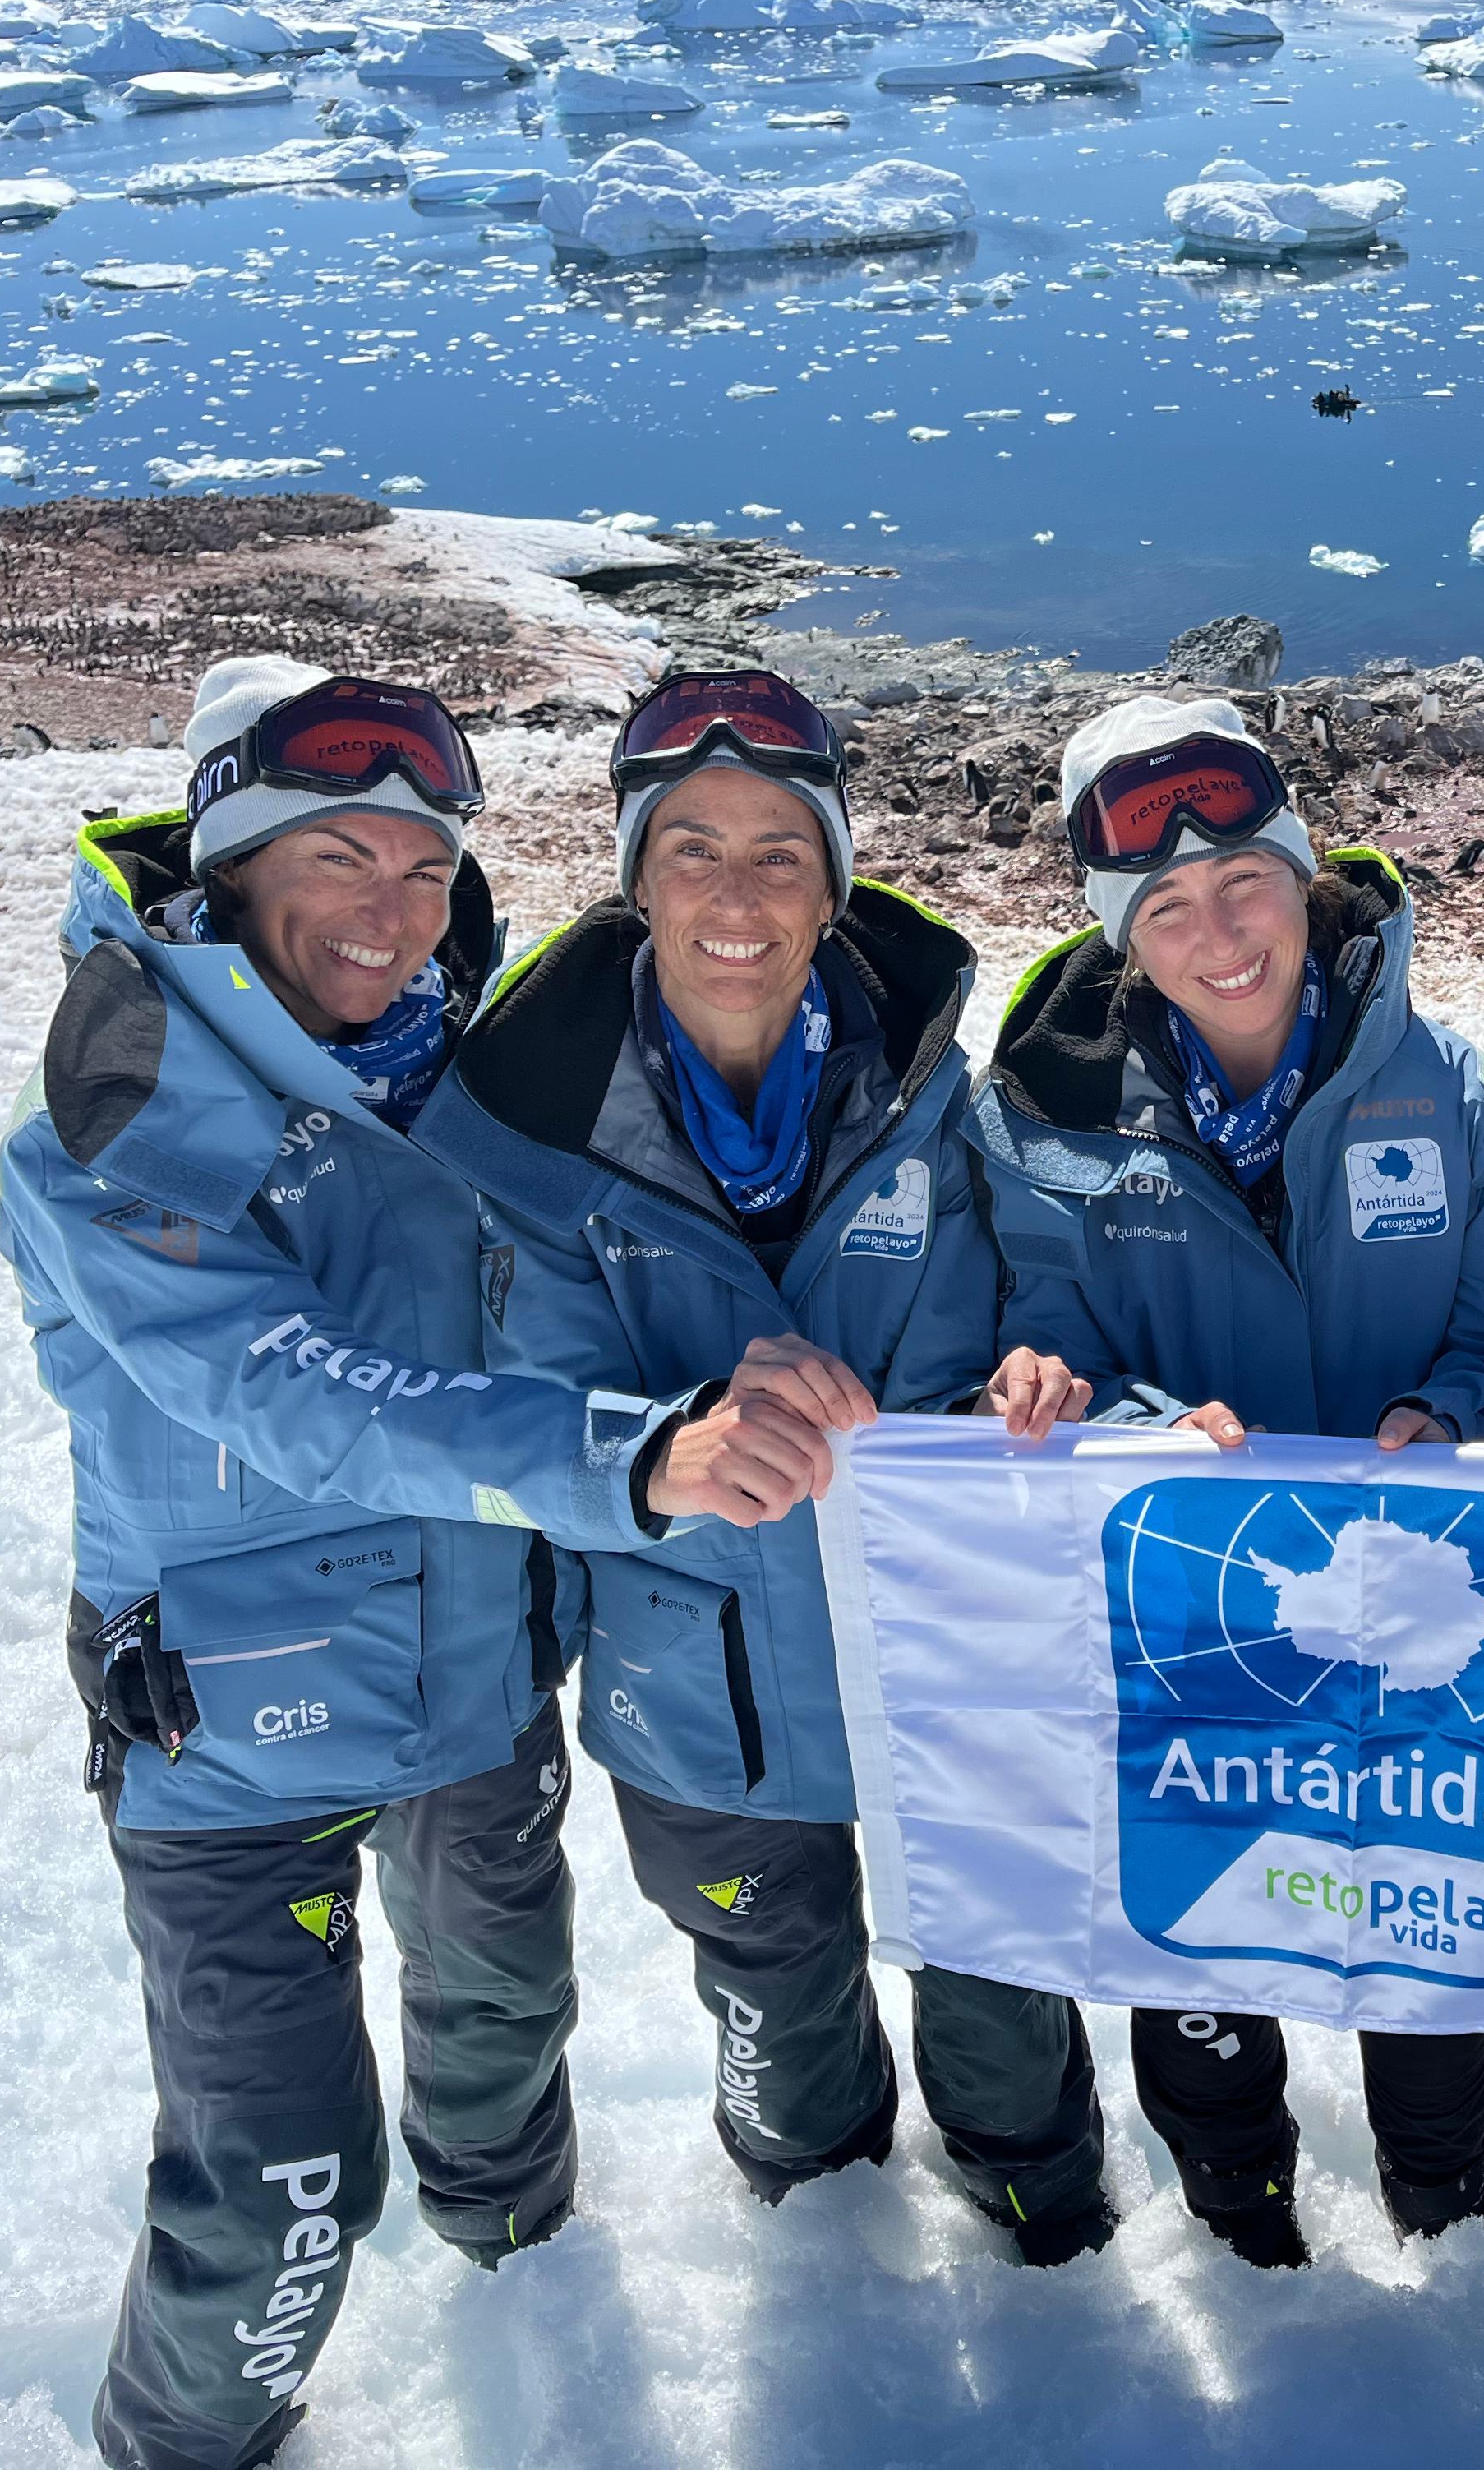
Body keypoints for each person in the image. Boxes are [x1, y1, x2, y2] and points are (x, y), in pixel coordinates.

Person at [0, 658, 806, 2470]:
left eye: (427, 868)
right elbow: (293, 1397)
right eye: (339, 859)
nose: (393, 910)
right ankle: (184, 2442)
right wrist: (638, 1461)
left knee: (504, 2032)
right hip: (230, 1746)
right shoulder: (113, 1115)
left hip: (468, 1696)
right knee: (282, 2189)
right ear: (228, 867)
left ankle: (522, 2278)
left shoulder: (482, 1081)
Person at [414, 668, 1115, 2260]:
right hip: (700, 1692)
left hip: (961, 1657)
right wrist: (677, 1425)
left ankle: (1044, 2212)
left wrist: (1049, 1371)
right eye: (693, 852)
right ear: (634, 877)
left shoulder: (937, 1082)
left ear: (837, 878)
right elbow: (498, 1400)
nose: (738, 897)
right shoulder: (510, 1128)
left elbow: (1053, 1275)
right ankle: (820, 2233)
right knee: (776, 2001)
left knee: (1005, 1979)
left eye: (781, 853)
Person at [966, 695, 1484, 2265]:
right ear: (1119, 933)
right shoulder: (1048, 1114)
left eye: (1247, 885)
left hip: (1423, 1611)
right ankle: (1239, 2211)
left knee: (1426, 1919)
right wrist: (1124, 1410)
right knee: (1205, 1923)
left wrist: (1445, 1406)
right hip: (1197, 1613)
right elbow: (1047, 1330)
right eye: (1165, 908)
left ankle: (1447, 2201)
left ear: (1310, 881)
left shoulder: (1467, 1094)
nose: (1219, 934)